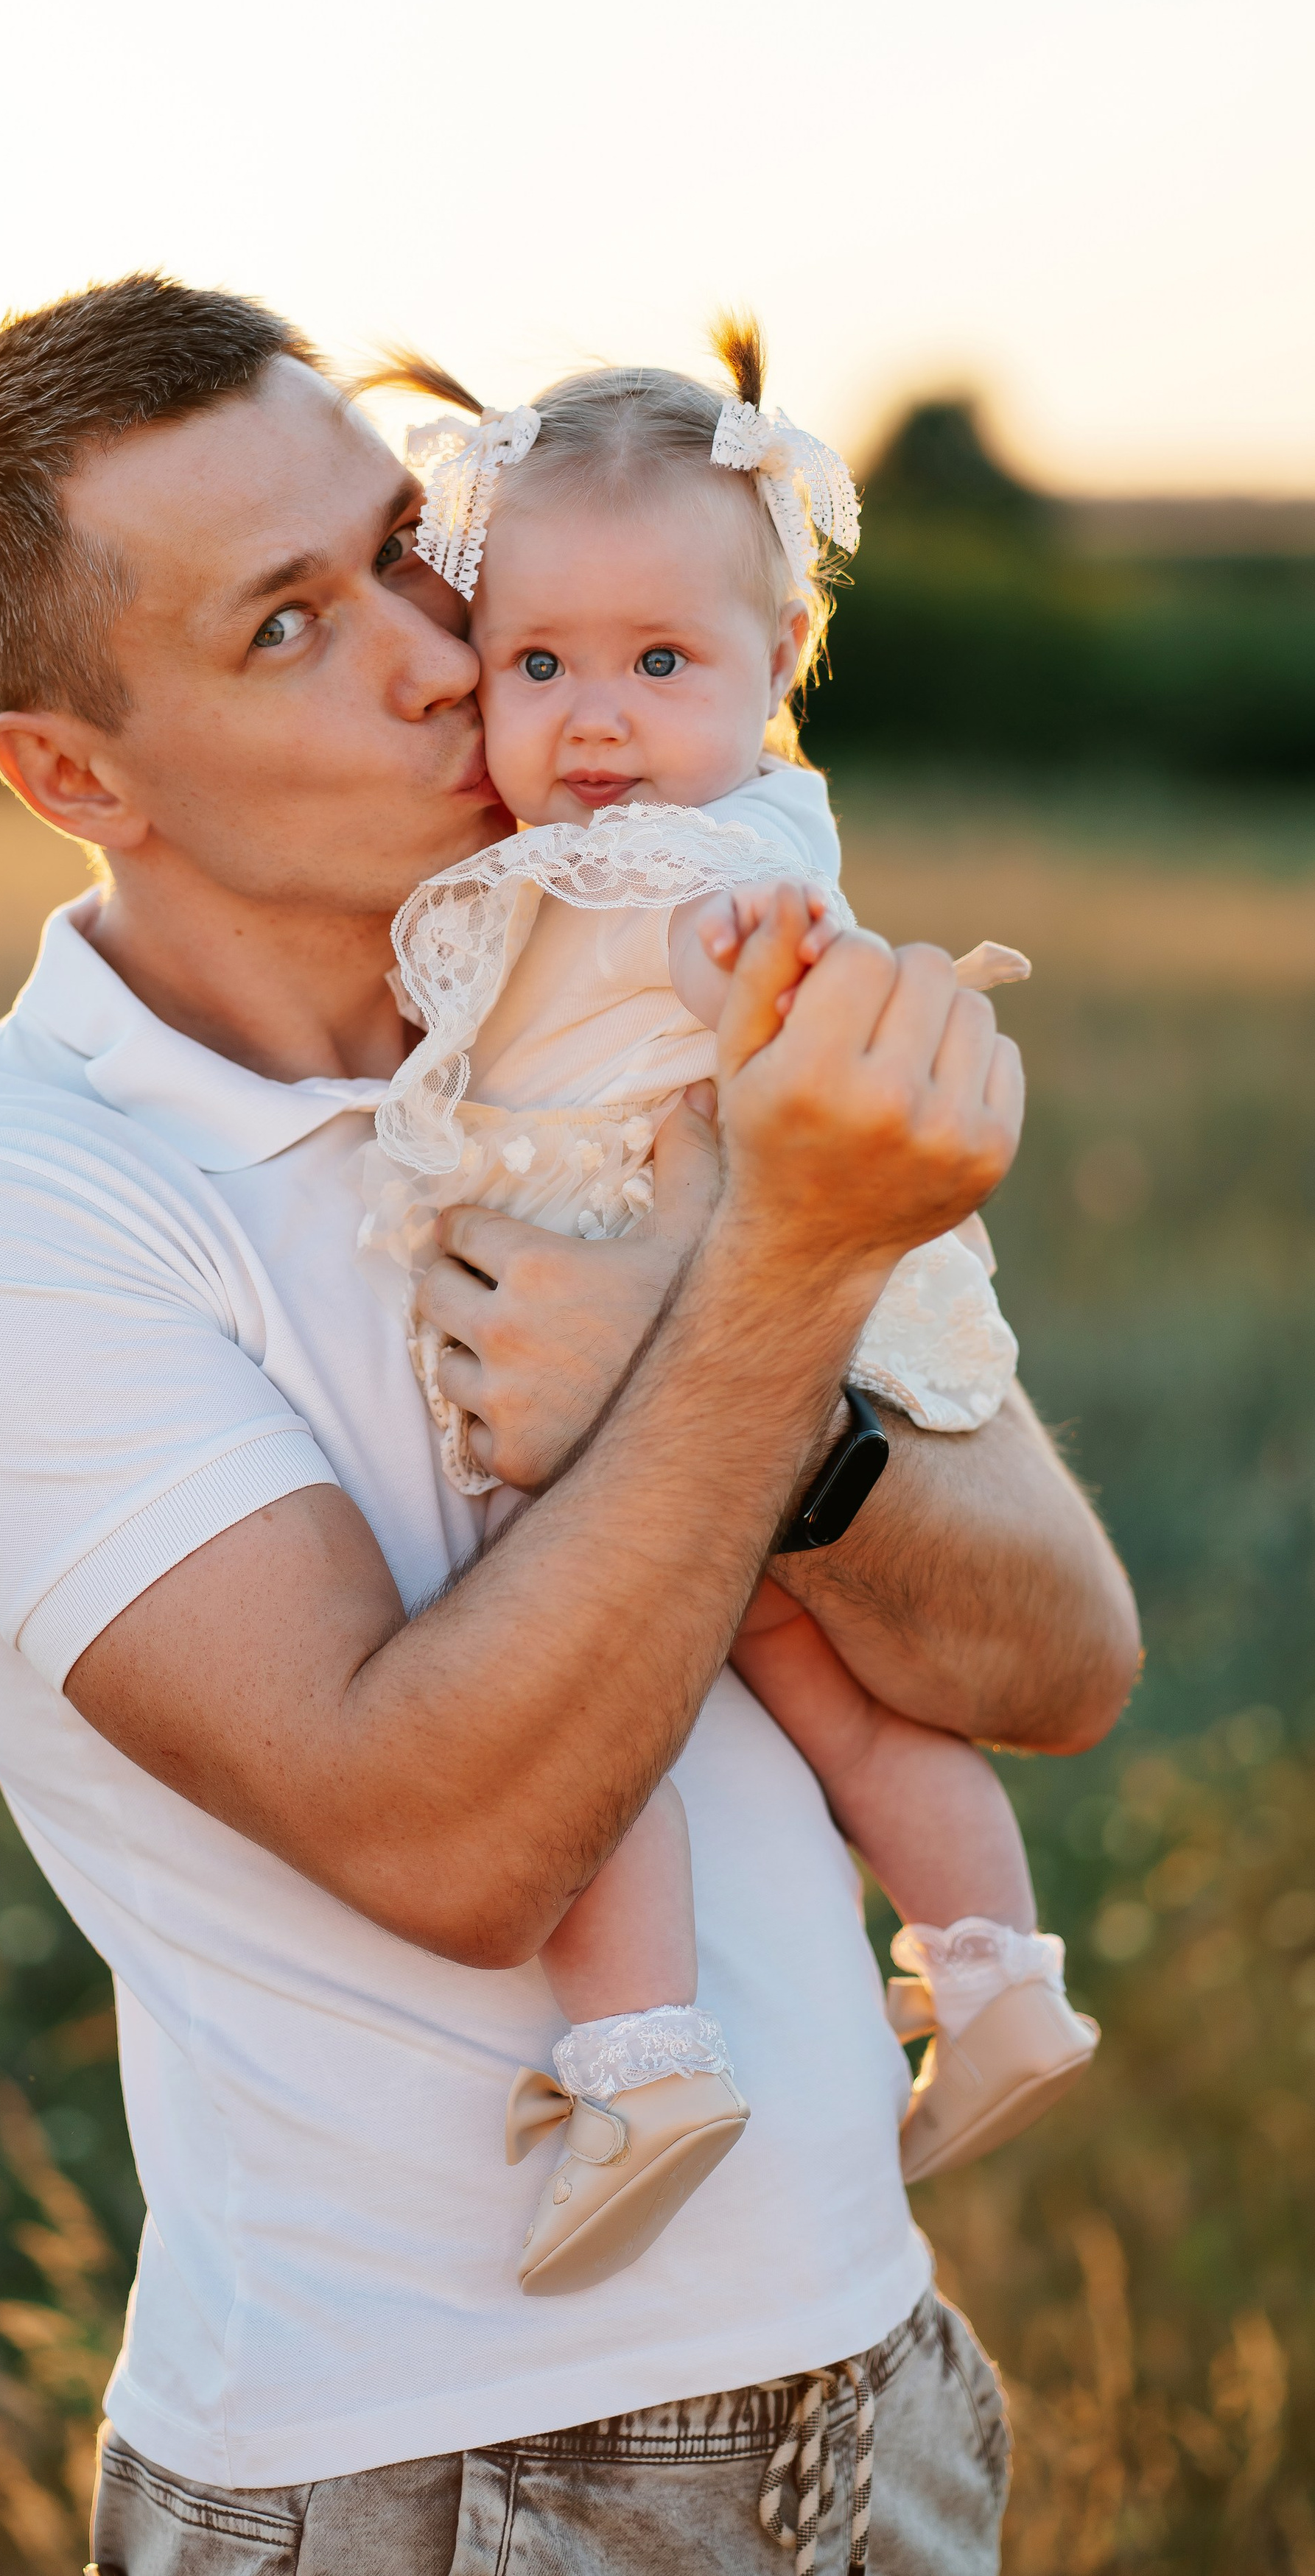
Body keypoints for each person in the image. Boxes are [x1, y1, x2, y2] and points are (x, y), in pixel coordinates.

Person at [0, 274, 1139, 2573]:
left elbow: (1057, 1669)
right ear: (72, 777)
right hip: (439, 2483)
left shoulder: (648, 1028)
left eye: (408, 548)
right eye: (287, 629)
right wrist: (772, 1290)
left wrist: (772, 1331)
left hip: (883, 2394)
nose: (443, 649)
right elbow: (452, 1845)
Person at [354, 323, 1098, 2303]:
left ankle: (638, 2055)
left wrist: (756, 968)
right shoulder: (642, 829)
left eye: (658, 663)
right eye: (540, 665)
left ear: (778, 672)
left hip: (669, 1303)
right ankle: (1000, 1977)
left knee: (562, 1681)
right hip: (744, 1303)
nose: (593, 718)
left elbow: (754, 970)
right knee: (835, 1695)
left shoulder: (690, 860)